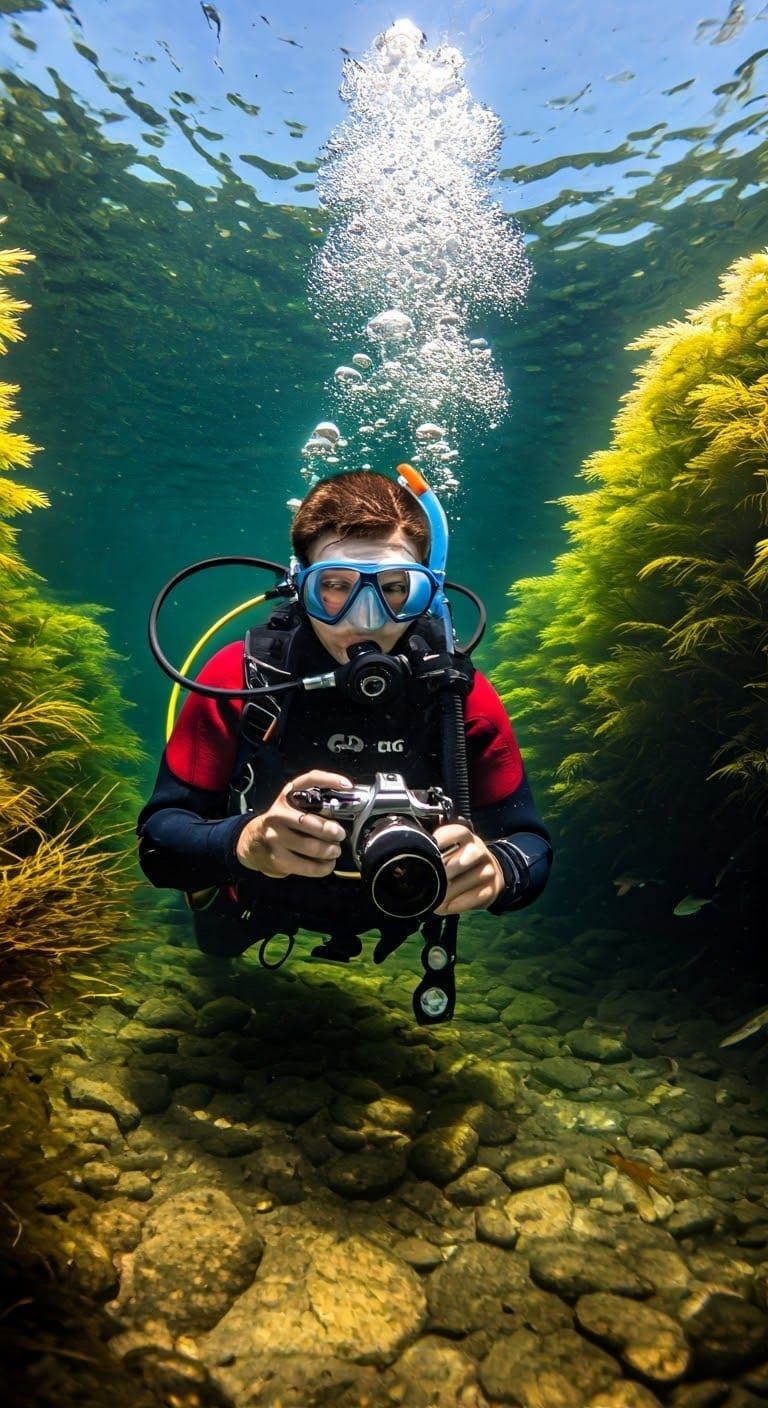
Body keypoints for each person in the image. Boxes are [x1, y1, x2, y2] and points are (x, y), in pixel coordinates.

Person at [137, 467, 552, 1021]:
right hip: (255, 895)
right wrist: (247, 842)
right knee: (216, 947)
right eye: (334, 586)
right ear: (299, 583)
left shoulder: (458, 696)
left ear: (426, 589)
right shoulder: (241, 677)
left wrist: (499, 870)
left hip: (398, 902)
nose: (364, 619)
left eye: (395, 589)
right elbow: (159, 845)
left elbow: (531, 845)